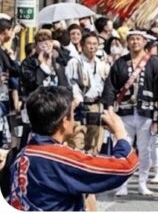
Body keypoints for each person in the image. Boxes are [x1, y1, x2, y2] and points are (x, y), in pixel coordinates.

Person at [6, 87, 138, 211]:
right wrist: (120, 133)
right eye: (73, 114)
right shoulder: (59, 158)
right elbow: (125, 165)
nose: (75, 119)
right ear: (64, 122)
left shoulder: (22, 154)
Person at [102, 29, 158, 197]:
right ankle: (122, 183)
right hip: (124, 112)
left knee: (145, 150)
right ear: (127, 42)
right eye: (132, 39)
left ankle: (142, 183)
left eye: (138, 39)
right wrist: (108, 109)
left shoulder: (153, 63)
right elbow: (110, 87)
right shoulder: (120, 63)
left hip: (146, 112)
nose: (135, 42)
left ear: (144, 42)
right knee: (123, 148)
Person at [64, 32, 108, 154]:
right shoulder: (75, 62)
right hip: (80, 105)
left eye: (95, 44)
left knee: (94, 139)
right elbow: (70, 82)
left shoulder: (101, 64)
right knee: (77, 138)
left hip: (96, 105)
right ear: (82, 45)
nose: (92, 47)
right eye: (89, 43)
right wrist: (77, 97)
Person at [0, 17, 21, 149]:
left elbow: (16, 71)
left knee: (4, 136)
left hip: (4, 96)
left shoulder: (4, 50)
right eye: (11, 31)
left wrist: (11, 57)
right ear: (6, 31)